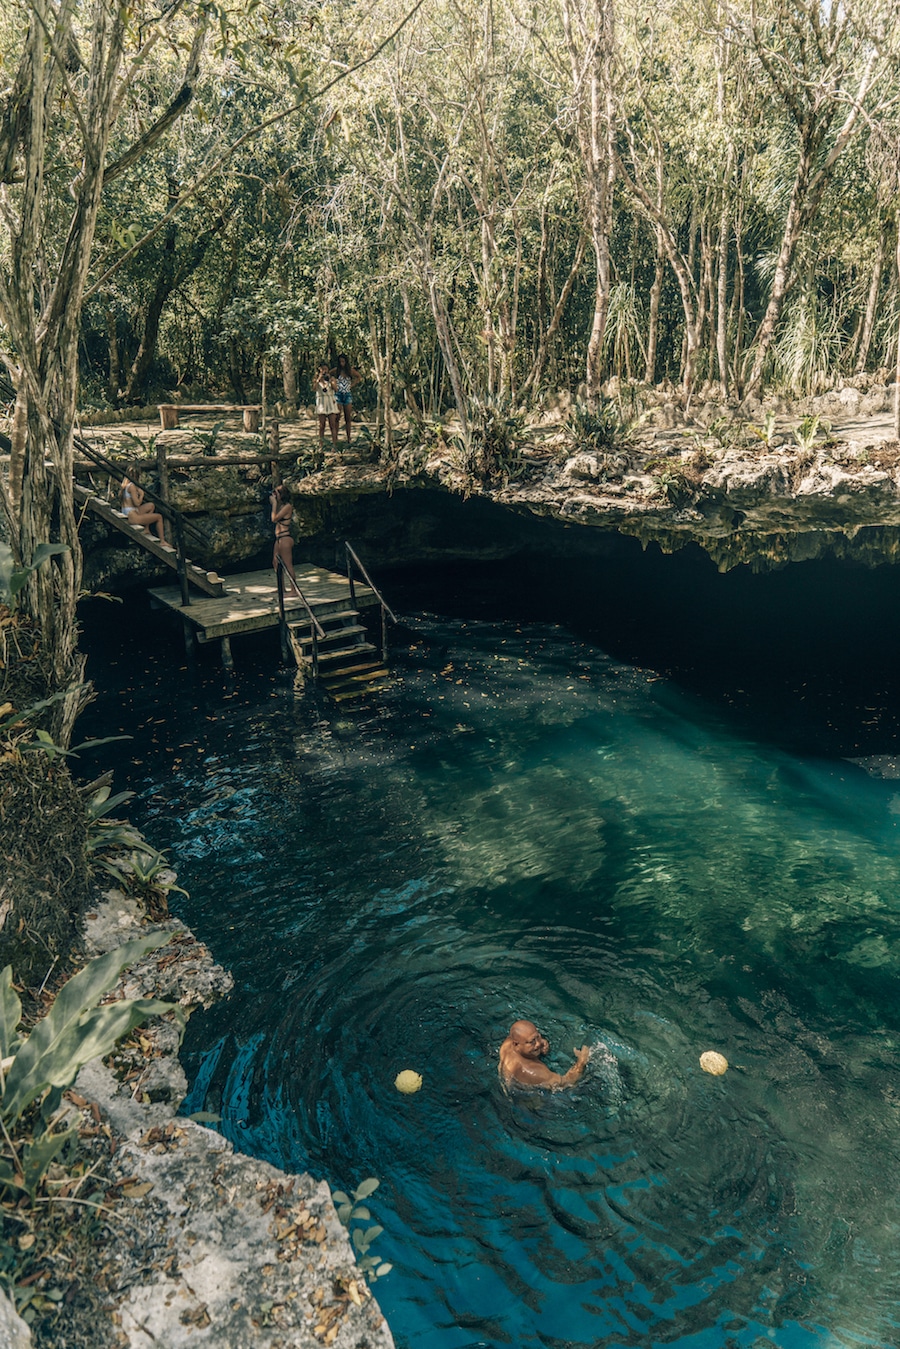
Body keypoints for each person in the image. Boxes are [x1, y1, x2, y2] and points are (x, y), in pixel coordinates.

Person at [499, 1020, 591, 1090]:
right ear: (516, 1044)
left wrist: (538, 1044)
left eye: (537, 1037)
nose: (538, 1044)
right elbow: (567, 1083)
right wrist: (581, 1062)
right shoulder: (535, 1072)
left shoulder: (507, 1045)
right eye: (532, 1042)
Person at [119, 464, 166, 544]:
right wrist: (141, 495)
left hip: (129, 512)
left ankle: (146, 529)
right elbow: (137, 503)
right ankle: (162, 541)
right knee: (159, 517)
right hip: (132, 517)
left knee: (151, 505)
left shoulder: (125, 485)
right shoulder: (132, 486)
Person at [270, 483, 302, 598]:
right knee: (275, 562)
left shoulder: (287, 506)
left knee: (288, 565)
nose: (274, 495)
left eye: (276, 493)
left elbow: (274, 518)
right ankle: (281, 587)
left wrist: (274, 504)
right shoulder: (281, 506)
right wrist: (275, 503)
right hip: (279, 539)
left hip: (285, 538)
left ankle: (294, 590)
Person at [332, 353, 360, 446]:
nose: (342, 363)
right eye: (340, 361)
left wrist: (352, 385)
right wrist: (333, 384)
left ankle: (348, 439)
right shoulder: (336, 371)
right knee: (337, 417)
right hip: (338, 394)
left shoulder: (350, 370)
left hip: (347, 394)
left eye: (343, 361)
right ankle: (335, 440)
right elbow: (328, 375)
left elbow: (359, 377)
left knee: (348, 418)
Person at [313, 364, 339, 458]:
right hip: (321, 403)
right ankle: (321, 445)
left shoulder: (331, 378)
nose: (324, 371)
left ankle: (334, 445)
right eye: (322, 369)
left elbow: (336, 389)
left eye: (325, 369)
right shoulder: (317, 379)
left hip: (330, 402)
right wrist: (319, 379)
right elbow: (314, 388)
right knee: (321, 425)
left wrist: (332, 382)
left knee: (332, 424)